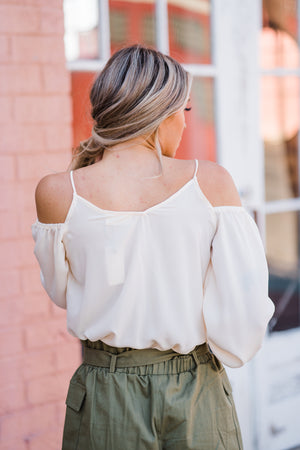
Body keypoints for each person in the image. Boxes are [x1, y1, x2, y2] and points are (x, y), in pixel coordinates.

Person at [32, 45, 274, 450]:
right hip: (195, 387)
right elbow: (244, 311)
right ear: (159, 114)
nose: (183, 124)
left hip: (106, 390)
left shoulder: (58, 192)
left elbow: (62, 293)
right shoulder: (211, 183)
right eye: (185, 111)